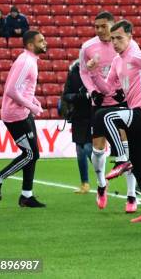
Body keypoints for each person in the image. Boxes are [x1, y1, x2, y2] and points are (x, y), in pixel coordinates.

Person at [87, 20, 141, 223]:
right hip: (136, 115)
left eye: (119, 38)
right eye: (112, 39)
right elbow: (107, 90)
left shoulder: (137, 55)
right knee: (139, 166)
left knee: (104, 116)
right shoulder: (117, 61)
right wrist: (93, 73)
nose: (114, 42)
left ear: (130, 36)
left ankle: (121, 158)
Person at [79, 11, 137, 213]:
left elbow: (134, 68)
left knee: (128, 148)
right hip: (101, 101)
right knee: (97, 148)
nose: (100, 30)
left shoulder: (127, 45)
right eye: (96, 27)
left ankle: (131, 195)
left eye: (104, 26)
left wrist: (126, 90)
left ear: (113, 26)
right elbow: (83, 72)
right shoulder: (87, 47)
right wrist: (92, 91)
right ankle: (102, 184)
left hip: (122, 101)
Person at [0, 31, 47, 208]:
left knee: (33, 155)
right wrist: (32, 106)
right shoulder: (26, 62)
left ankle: (26, 195)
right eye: (41, 41)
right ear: (30, 45)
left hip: (23, 113)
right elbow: (11, 90)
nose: (45, 43)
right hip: (15, 115)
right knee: (30, 154)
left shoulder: (29, 60)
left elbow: (23, 88)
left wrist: (33, 101)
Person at [62, 60, 93, 194]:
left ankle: (102, 180)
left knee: (88, 148)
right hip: (78, 116)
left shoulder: (97, 71)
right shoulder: (73, 73)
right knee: (80, 151)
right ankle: (84, 183)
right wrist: (79, 96)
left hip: (93, 114)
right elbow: (66, 95)